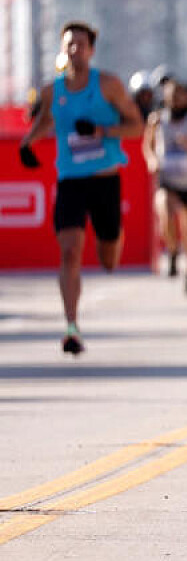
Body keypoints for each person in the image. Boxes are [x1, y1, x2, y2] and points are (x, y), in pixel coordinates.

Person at [18, 21, 144, 355]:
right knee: (70, 251)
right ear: (62, 50)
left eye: (81, 44)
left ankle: (114, 236)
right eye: (69, 45)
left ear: (91, 50)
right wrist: (27, 144)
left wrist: (103, 132)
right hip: (71, 181)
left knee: (108, 258)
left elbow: (136, 126)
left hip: (105, 179)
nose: (75, 50)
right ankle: (71, 327)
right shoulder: (53, 91)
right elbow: (45, 121)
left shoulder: (109, 85)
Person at [142, 78, 187, 295]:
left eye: (178, 94)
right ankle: (172, 249)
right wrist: (152, 160)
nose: (174, 98)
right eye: (170, 94)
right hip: (167, 177)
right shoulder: (157, 120)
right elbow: (147, 145)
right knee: (164, 211)